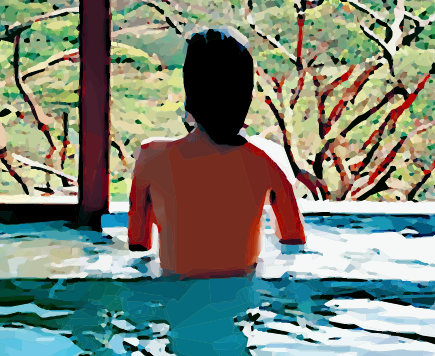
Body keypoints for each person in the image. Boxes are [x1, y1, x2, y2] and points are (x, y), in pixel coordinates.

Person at [127, 27, 306, 279]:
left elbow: (138, 245)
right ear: (246, 94)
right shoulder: (267, 163)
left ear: (191, 89)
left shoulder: (151, 158)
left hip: (174, 301)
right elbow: (294, 244)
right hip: (244, 305)